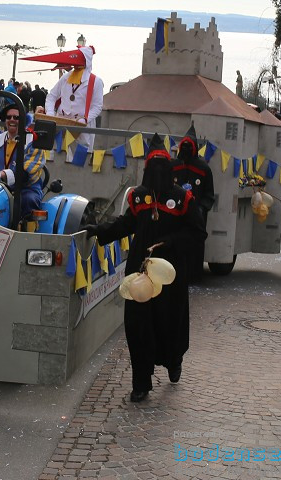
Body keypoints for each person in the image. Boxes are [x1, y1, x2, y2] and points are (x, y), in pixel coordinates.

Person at [82, 135, 206, 402]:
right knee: (138, 326)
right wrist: (99, 229)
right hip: (140, 272)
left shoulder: (183, 199)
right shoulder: (138, 197)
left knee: (169, 323)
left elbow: (198, 233)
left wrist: (171, 242)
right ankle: (141, 381)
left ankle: (173, 360)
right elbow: (125, 224)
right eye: (154, 167)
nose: (158, 173)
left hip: (170, 274)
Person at [0, 105, 46, 217]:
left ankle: (27, 232)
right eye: (9, 117)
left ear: (24, 120)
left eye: (16, 117)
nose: (12, 120)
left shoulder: (34, 143)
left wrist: (1, 174)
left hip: (26, 189)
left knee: (28, 200)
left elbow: (26, 172)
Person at [172, 124, 215, 282]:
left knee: (194, 245)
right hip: (176, 213)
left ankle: (194, 275)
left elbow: (209, 194)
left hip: (196, 215)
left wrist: (202, 209)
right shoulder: (174, 166)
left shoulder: (203, 169)